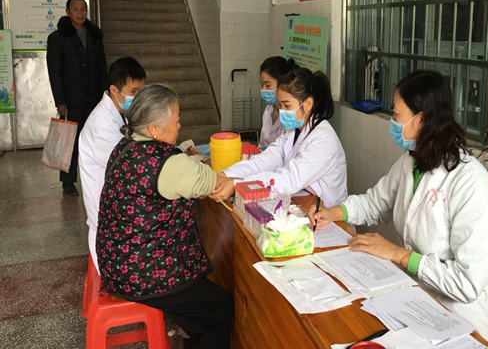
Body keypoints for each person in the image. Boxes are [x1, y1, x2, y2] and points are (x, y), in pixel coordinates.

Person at [308, 70, 488, 345]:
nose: (392, 121)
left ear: (420, 119)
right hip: (420, 304)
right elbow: (376, 202)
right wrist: (333, 212)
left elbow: (467, 283)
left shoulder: (471, 183)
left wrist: (398, 255)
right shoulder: (412, 160)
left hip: (465, 322)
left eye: (396, 114)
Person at [97, 84, 233, 349]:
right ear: (154, 129)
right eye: (176, 120)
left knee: (200, 305)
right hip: (145, 273)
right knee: (219, 308)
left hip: (116, 265)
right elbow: (212, 183)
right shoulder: (166, 162)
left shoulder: (124, 146)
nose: (179, 125)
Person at [214, 67, 348, 208]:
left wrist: (238, 184)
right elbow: (265, 161)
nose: (282, 111)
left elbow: (289, 179)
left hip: (326, 211)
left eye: (287, 106)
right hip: (302, 201)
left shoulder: (324, 140)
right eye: (280, 105)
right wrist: (226, 175)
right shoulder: (291, 131)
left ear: (308, 104)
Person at [79, 57, 147, 273]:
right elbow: (129, 165)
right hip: (108, 220)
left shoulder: (120, 115)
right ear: (114, 90)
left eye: (141, 91)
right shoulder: (102, 123)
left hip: (117, 211)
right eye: (133, 92)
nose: (138, 98)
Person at [47, 0, 107, 196]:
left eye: (83, 9)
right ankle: (68, 181)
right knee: (70, 140)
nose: (80, 13)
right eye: (75, 9)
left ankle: (95, 174)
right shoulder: (57, 38)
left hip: (94, 97)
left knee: (94, 138)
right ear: (68, 12)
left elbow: (102, 66)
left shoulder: (94, 35)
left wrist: (105, 94)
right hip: (71, 99)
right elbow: (54, 72)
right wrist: (60, 101)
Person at [258, 56, 297, 150]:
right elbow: (262, 145)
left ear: (282, 83)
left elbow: (281, 151)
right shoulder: (269, 109)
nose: (263, 89)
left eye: (268, 85)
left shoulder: (289, 117)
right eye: (262, 84)